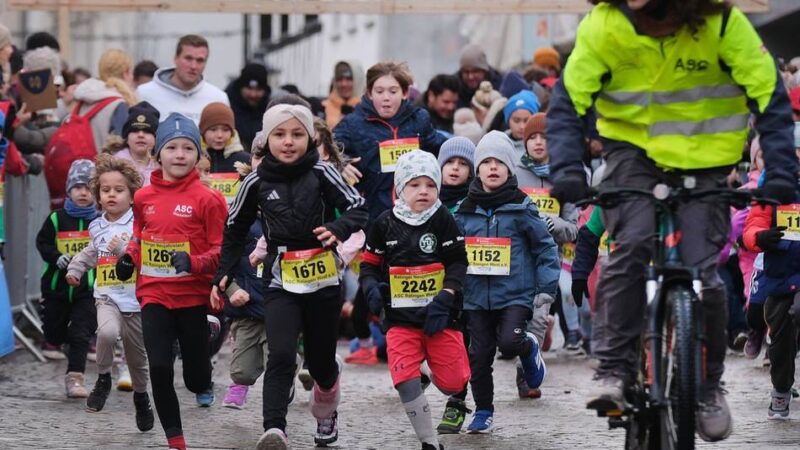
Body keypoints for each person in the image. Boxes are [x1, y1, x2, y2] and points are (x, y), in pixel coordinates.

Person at [547, 0, 799, 442]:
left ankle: (707, 388)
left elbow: (769, 96)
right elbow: (569, 102)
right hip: (632, 157)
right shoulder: (605, 23)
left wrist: (780, 169)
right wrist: (567, 168)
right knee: (630, 247)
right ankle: (614, 370)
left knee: (704, 274)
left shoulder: (721, 22)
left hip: (706, 163)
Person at [212, 104, 367, 450]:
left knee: (322, 363)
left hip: (324, 280)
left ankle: (327, 408)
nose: (288, 142)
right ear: (267, 140)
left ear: (310, 139)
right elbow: (233, 231)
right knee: (280, 354)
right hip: (281, 279)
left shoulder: (323, 172)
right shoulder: (255, 181)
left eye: (297, 134)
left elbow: (359, 208)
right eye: (279, 134)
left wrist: (336, 228)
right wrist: (221, 274)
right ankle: (274, 430)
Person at [114, 113, 227, 450]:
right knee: (160, 367)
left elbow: (221, 250)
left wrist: (193, 262)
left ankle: (205, 341)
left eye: (188, 148)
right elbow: (139, 236)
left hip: (192, 295)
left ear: (198, 155)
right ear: (158, 154)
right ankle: (175, 440)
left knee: (196, 380)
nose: (180, 154)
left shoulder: (209, 199)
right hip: (154, 294)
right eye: (172, 147)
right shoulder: (143, 197)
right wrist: (128, 257)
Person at [360, 150, 469, 450]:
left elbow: (459, 262)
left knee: (453, 384)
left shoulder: (443, 218)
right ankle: (429, 442)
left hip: (440, 317)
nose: (423, 191)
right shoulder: (383, 223)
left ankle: (431, 369)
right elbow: (368, 266)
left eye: (430, 185)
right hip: (400, 321)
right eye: (415, 184)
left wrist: (447, 296)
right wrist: (370, 289)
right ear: (399, 189)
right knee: (405, 381)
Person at [455, 131, 558, 433]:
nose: (492, 167)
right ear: (478, 169)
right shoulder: (464, 209)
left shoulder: (522, 206)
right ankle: (484, 411)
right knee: (479, 356)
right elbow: (452, 250)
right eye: (485, 162)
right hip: (476, 296)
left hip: (515, 293)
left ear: (510, 169)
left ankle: (529, 349)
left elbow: (545, 247)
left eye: (499, 162)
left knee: (509, 343)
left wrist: (545, 290)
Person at [64, 154, 154, 430]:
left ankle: (141, 398)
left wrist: (124, 251)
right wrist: (76, 269)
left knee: (137, 361)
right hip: (106, 296)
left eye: (119, 190)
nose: (111, 195)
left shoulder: (139, 224)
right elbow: (92, 251)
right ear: (98, 195)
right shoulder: (96, 225)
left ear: (132, 194)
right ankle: (103, 378)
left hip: (135, 300)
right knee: (105, 332)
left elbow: (146, 257)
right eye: (105, 191)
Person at [333, 61, 446, 223]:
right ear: (370, 94)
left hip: (416, 215)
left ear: (405, 93)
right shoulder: (353, 123)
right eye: (379, 91)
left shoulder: (419, 120)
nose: (386, 98)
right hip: (372, 215)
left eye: (393, 91)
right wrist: (341, 163)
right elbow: (327, 149)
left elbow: (442, 148)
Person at [36, 160, 99, 396]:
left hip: (88, 289)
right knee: (54, 333)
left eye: (89, 188)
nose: (83, 192)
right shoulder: (56, 219)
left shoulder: (99, 222)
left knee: (80, 333)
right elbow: (41, 243)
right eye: (78, 187)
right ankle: (61, 342)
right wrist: (57, 257)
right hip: (56, 288)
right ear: (69, 190)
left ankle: (75, 378)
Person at [742, 171, 800, 419]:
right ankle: (781, 390)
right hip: (780, 276)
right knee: (780, 339)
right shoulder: (774, 178)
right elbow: (753, 224)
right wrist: (760, 237)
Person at [220, 143, 268, 410]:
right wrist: (232, 289)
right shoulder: (238, 217)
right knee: (242, 371)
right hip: (246, 305)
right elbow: (224, 258)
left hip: (280, 303)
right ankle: (239, 384)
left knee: (281, 362)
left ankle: (283, 388)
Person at [434, 137, 476, 434]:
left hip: (467, 287)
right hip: (429, 285)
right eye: (450, 162)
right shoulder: (425, 196)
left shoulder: (477, 201)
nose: (455, 169)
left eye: (463, 164)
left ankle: (457, 403)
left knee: (463, 345)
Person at [137, 34, 229, 124]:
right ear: (176, 58)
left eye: (200, 60)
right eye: (188, 58)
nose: (193, 66)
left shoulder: (218, 99)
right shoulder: (144, 93)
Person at [199, 102, 250, 204]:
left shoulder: (246, 160)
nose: (219, 135)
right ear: (203, 132)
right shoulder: (194, 160)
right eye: (213, 130)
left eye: (225, 130)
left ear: (232, 132)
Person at [225, 63, 270, 150]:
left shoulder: (271, 107)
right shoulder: (226, 103)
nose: (253, 94)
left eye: (258, 90)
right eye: (249, 89)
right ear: (240, 87)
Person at [114, 101, 160, 185]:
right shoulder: (114, 164)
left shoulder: (164, 166)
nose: (141, 135)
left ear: (156, 138)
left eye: (147, 131)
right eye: (135, 131)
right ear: (126, 138)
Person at [454, 44, 503, 109]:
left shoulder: (500, 85)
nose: (470, 77)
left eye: (475, 71)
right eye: (466, 72)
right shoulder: (453, 87)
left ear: (484, 71)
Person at [322, 60, 365, 130]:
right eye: (339, 79)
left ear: (358, 81)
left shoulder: (368, 111)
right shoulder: (321, 108)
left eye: (349, 79)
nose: (343, 84)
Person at [503, 90, 540, 157]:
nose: (522, 126)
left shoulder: (541, 146)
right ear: (508, 120)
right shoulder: (499, 144)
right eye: (516, 121)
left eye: (526, 120)